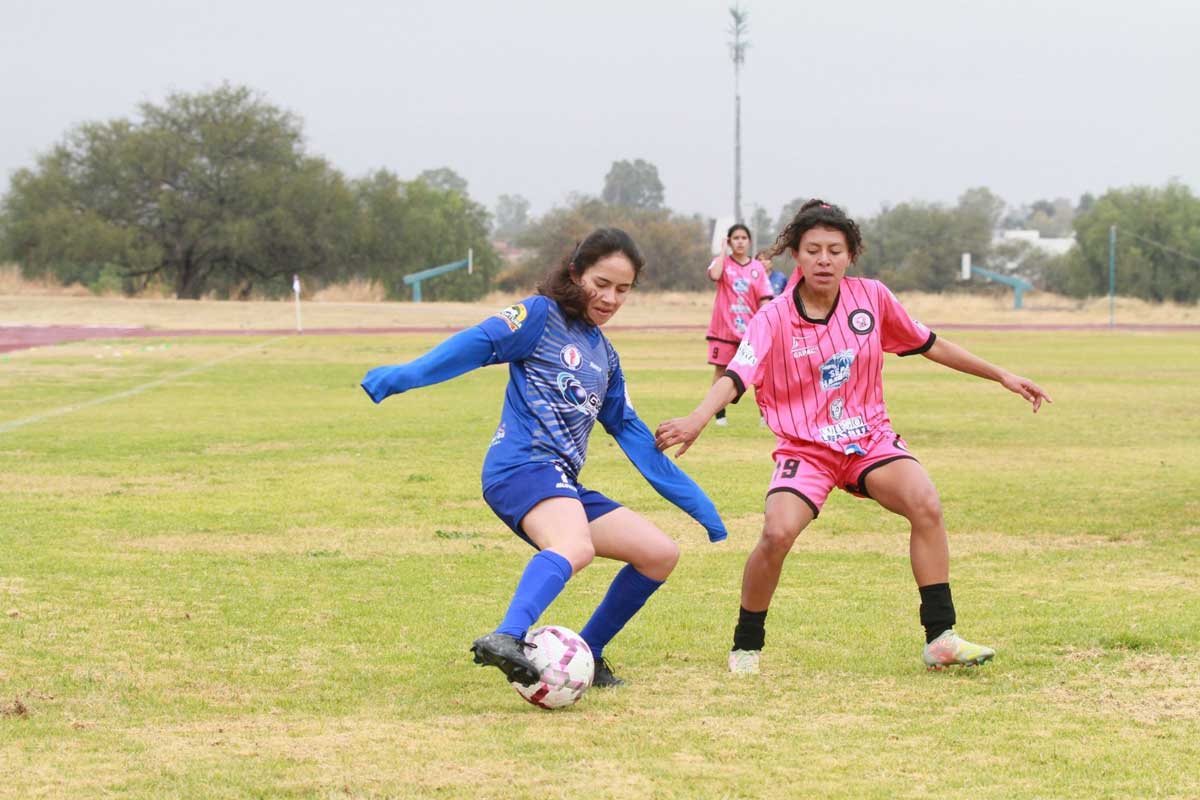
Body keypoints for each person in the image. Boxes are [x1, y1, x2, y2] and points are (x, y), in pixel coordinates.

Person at [655, 200, 1051, 674]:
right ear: (796, 256)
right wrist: (699, 417)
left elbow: (931, 344)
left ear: (850, 256)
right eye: (814, 250)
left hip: (869, 440)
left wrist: (1001, 375)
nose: (824, 259)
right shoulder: (773, 318)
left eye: (835, 250)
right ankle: (746, 643)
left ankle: (940, 637)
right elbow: (736, 375)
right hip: (806, 448)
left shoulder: (873, 298)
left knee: (924, 502)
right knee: (777, 533)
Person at [361, 227, 727, 690]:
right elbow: (476, 343)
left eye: (622, 289)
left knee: (658, 554)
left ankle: (588, 654)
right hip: (522, 468)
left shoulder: (606, 358)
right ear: (575, 273)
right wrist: (404, 376)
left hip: (561, 481)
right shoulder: (539, 316)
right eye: (601, 283)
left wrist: (699, 506)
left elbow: (632, 435)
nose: (611, 298)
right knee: (576, 548)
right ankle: (508, 637)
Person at [705, 224, 775, 426]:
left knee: (759, 374)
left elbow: (765, 298)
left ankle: (765, 416)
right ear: (729, 241)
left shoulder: (757, 268)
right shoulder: (723, 264)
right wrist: (721, 250)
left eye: (744, 237)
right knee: (721, 372)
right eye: (735, 238)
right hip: (724, 330)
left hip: (751, 334)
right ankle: (719, 416)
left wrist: (766, 324)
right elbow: (715, 275)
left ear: (749, 241)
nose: (740, 241)